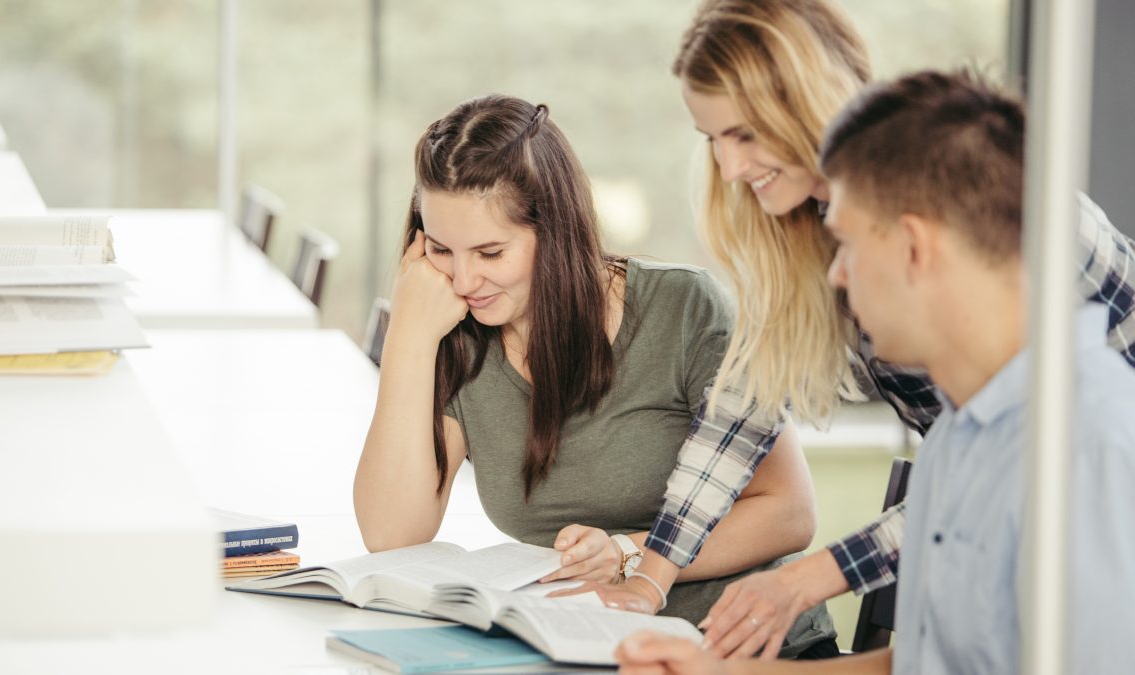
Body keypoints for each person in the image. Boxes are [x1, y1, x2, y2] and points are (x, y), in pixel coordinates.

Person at [598, 0, 1135, 660]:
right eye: (711, 139)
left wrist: (805, 579)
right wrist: (653, 575)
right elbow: (739, 415)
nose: (728, 170)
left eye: (742, 134)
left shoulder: (1086, 434)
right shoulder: (957, 445)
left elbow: (1059, 456)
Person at [351, 93, 839, 658]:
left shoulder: (683, 309)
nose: (463, 279)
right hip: (585, 650)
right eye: (441, 249)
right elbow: (392, 535)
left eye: (490, 252)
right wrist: (410, 338)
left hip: (741, 646)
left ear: (554, 233)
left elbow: (790, 511)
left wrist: (629, 553)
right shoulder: (459, 332)